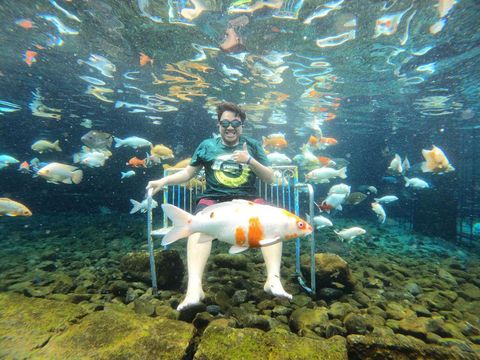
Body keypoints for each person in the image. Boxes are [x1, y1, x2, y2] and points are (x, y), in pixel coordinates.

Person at [146, 102, 293, 311]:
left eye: (235, 123)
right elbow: (188, 173)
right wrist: (163, 181)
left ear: (242, 125)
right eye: (225, 122)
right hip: (213, 199)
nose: (230, 127)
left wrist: (249, 160)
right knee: (195, 225)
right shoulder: (207, 146)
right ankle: (194, 289)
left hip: (248, 200)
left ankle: (273, 280)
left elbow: (270, 178)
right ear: (218, 125)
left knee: (272, 225)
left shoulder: (252, 145)